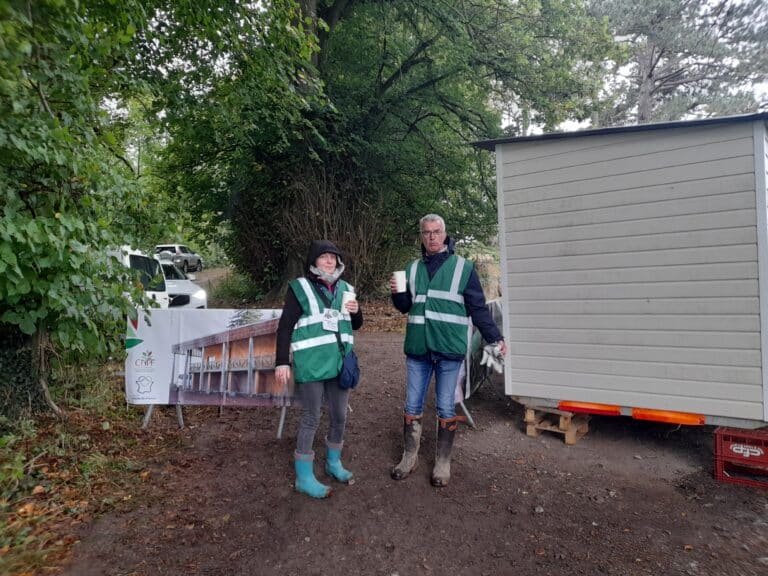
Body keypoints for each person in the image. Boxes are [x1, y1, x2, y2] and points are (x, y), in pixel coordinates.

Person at [390, 214, 506, 487]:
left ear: (445, 234)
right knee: (412, 404)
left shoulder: (463, 269)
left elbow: (478, 308)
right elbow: (406, 306)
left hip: (448, 349)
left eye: (436, 231)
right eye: (426, 232)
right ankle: (410, 455)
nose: (431, 237)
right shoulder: (412, 268)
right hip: (419, 348)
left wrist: (495, 338)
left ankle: (442, 461)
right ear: (421, 236)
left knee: (444, 404)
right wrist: (397, 294)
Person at [275, 240, 363, 499]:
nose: (329, 261)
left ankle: (332, 463)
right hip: (312, 365)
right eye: (324, 257)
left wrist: (357, 312)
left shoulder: (346, 288)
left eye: (333, 257)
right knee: (311, 417)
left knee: (339, 416)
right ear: (313, 261)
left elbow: (355, 324)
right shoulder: (300, 288)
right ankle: (304, 477)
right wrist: (282, 361)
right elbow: (285, 327)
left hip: (339, 363)